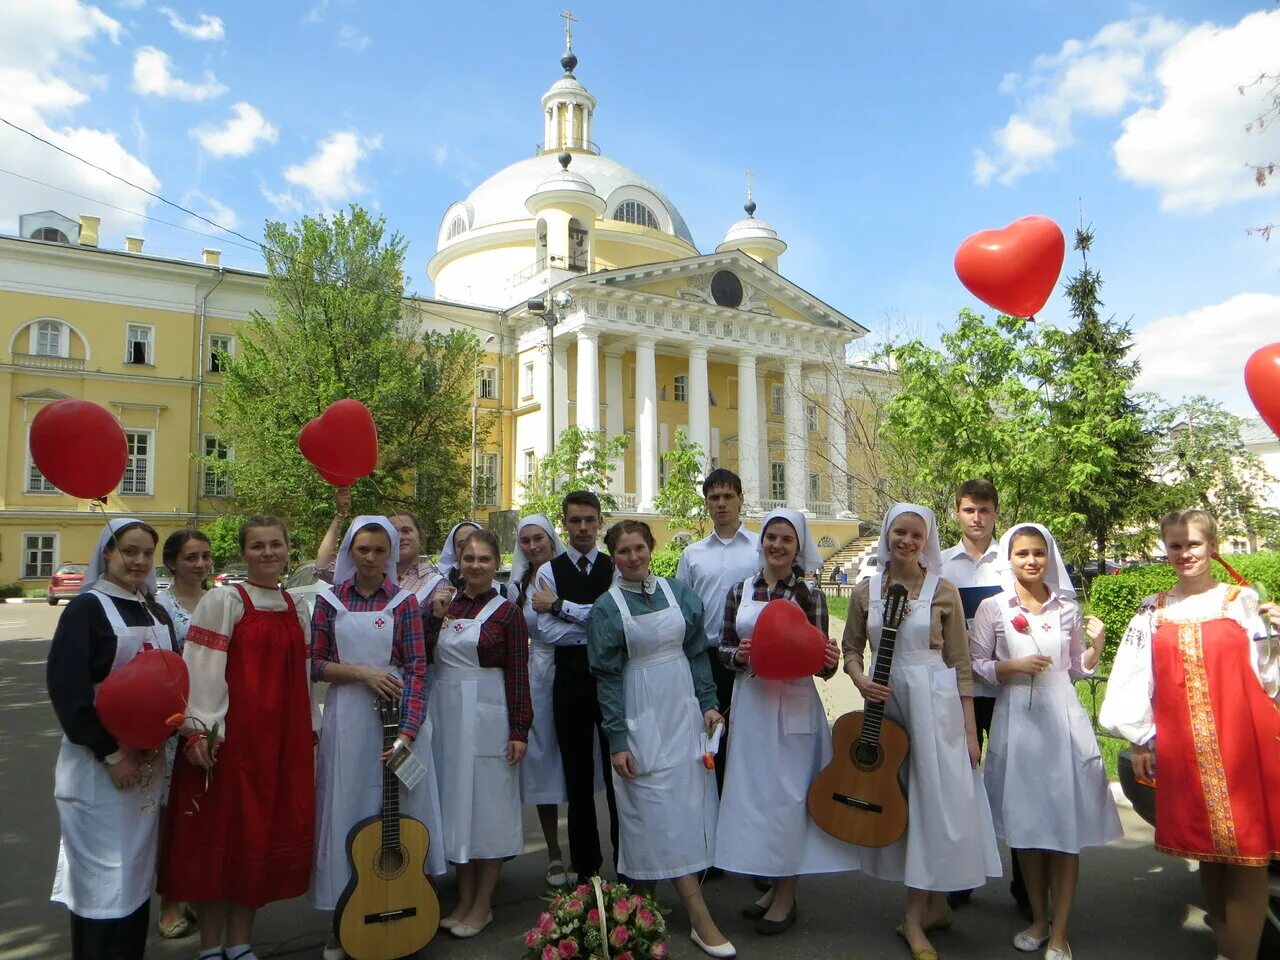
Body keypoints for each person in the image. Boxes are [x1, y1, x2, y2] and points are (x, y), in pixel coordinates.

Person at [1101, 509, 1280, 960]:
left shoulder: (1240, 601)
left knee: (1248, 857)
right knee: (1209, 854)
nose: (1184, 553)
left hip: (1244, 743)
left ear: (1213, 546)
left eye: (1193, 544)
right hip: (1184, 749)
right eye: (1176, 545)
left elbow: (1270, 675)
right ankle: (1226, 949)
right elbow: (1133, 676)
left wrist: (1277, 632)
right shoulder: (1153, 609)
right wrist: (1139, 737)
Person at [842, 503, 1001, 960]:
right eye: (899, 533)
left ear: (925, 540)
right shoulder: (865, 590)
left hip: (936, 709)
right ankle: (931, 907)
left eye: (916, 535)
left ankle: (914, 920)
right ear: (887, 535)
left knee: (932, 808)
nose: (907, 542)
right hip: (885, 708)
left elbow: (961, 665)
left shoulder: (943, 590)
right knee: (900, 804)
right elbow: (852, 648)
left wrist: (971, 734)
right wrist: (858, 677)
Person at [160, 516, 316, 960]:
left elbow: (302, 678)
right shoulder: (224, 600)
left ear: (288, 550)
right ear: (243, 552)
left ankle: (242, 942)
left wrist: (309, 731)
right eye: (257, 546)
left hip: (280, 743)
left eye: (276, 545)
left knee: (259, 842)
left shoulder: (296, 606)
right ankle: (211, 946)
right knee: (221, 844)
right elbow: (202, 669)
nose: (268, 553)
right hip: (231, 743)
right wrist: (202, 733)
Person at [970, 524, 1122, 960]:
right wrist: (1012, 666)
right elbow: (978, 665)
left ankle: (1061, 930)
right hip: (1017, 718)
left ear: (1049, 557)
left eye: (1039, 553)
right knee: (1027, 828)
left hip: (1061, 720)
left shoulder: (1067, 609)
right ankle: (1038, 918)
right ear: (1009, 558)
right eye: (1022, 554)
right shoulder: (993, 608)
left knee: (1062, 827)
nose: (1031, 561)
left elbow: (1075, 667)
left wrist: (1097, 645)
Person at [587, 519, 735, 959]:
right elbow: (607, 678)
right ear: (613, 557)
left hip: (682, 709)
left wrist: (708, 703)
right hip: (638, 710)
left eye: (639, 548)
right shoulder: (607, 608)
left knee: (686, 805)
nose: (633, 557)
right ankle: (699, 917)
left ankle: (638, 908)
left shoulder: (678, 593)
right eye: (623, 552)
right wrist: (617, 738)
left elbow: (695, 653)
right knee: (650, 807)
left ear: (651, 547)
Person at [714, 509, 859, 935]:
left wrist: (829, 661)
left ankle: (787, 894)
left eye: (787, 540)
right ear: (762, 542)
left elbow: (823, 667)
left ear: (798, 548)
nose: (777, 545)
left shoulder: (810, 595)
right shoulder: (739, 590)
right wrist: (737, 656)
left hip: (795, 706)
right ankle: (772, 883)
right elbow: (722, 648)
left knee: (790, 800)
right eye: (771, 537)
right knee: (756, 796)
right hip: (753, 704)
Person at [311, 517, 445, 960]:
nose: (369, 559)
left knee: (397, 812)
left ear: (390, 554)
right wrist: (363, 673)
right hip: (349, 720)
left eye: (378, 551)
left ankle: (402, 907)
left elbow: (419, 668)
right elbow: (315, 663)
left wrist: (409, 731)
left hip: (396, 723)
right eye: (361, 550)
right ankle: (343, 920)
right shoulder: (330, 600)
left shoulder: (405, 602)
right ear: (349, 551)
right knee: (346, 811)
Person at [48, 518, 176, 960]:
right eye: (129, 551)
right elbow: (69, 692)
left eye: (147, 553)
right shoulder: (87, 609)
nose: (139, 561)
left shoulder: (155, 610)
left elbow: (171, 683)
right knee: (103, 884)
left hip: (145, 765)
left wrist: (161, 736)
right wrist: (110, 755)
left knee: (135, 879)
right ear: (107, 553)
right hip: (98, 768)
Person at [424, 527, 531, 939]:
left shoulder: (507, 613)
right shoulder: (445, 606)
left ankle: (482, 904)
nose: (476, 566)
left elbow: (519, 673)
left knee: (487, 813)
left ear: (496, 562)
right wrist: (434, 618)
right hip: (448, 719)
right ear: (458, 561)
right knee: (457, 811)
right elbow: (425, 653)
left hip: (489, 718)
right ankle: (463, 900)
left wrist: (520, 728)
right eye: (469, 559)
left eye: (484, 559)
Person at [938, 479, 1019, 911]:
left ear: (995, 512)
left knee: (1013, 783)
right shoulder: (943, 565)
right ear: (957, 512)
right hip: (958, 687)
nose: (976, 518)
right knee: (961, 782)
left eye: (984, 510)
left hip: (1007, 686)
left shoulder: (1012, 562)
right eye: (968, 509)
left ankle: (1025, 884)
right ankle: (961, 877)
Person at [531, 491, 619, 882]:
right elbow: (547, 633)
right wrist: (591, 624)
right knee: (577, 777)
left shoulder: (613, 566)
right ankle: (587, 870)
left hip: (610, 681)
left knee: (620, 774)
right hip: (568, 681)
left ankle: (630, 863)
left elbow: (613, 621)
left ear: (600, 522)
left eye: (589, 520)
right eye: (575, 520)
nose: (583, 528)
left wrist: (561, 607)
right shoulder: (548, 572)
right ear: (564, 523)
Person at [674, 468, 760, 795]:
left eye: (727, 497)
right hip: (707, 658)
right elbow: (682, 609)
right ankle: (713, 810)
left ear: (740, 500)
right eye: (714, 498)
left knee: (748, 738)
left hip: (749, 660)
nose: (721, 504)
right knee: (711, 737)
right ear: (706, 504)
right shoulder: (692, 554)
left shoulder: (758, 548)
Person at [509, 514, 574, 888]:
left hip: (565, 669)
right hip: (534, 677)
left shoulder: (564, 576)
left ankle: (583, 847)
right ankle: (553, 851)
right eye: (526, 541)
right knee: (541, 766)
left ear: (551, 539)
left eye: (539, 539)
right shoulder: (518, 586)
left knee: (574, 763)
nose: (533, 547)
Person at [154, 527, 213, 940]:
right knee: (170, 814)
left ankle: (195, 887)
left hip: (213, 717)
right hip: (174, 721)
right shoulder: (159, 607)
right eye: (191, 557)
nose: (201, 564)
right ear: (173, 562)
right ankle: (169, 899)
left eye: (206, 556)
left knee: (204, 811)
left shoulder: (220, 602)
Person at [313, 487, 438, 593]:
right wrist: (340, 514)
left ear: (420, 538)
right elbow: (322, 566)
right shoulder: (363, 573)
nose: (400, 537)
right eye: (393, 532)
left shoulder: (435, 583)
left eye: (407, 531)